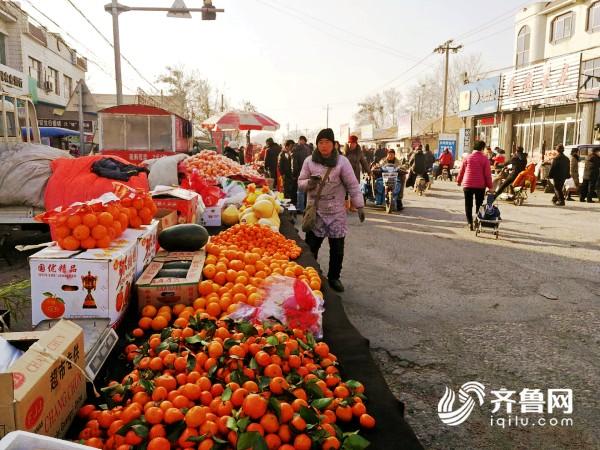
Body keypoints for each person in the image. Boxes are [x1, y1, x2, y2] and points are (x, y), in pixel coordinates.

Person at [298, 128, 365, 293]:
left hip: (336, 212)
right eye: (320, 142)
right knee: (311, 246)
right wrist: (310, 183)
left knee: (337, 249)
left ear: (333, 144)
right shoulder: (309, 161)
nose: (324, 146)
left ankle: (334, 277)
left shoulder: (342, 162)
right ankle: (310, 274)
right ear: (317, 144)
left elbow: (352, 185)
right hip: (316, 212)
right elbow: (300, 182)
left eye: (327, 142)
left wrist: (360, 205)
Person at [457, 140, 493, 230]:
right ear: (482, 148)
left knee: (468, 204)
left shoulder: (468, 157)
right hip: (480, 186)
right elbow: (487, 174)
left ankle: (469, 223)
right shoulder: (485, 159)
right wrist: (490, 186)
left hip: (468, 185)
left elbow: (462, 171)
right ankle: (477, 220)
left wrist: (459, 180)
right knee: (479, 204)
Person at [344, 135, 370, 211]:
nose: (350, 144)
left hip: (355, 173)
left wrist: (369, 171)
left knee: (354, 190)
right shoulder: (344, 152)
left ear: (356, 143)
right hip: (345, 173)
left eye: (352, 143)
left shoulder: (359, 152)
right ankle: (345, 206)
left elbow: (364, 162)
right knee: (344, 190)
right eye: (349, 143)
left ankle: (352, 206)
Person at [292, 136, 311, 213]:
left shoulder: (296, 149)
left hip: (300, 172)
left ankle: (300, 208)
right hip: (308, 172)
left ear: (300, 140)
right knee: (306, 191)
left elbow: (294, 164)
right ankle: (305, 207)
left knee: (300, 191)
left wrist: (294, 174)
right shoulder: (308, 149)